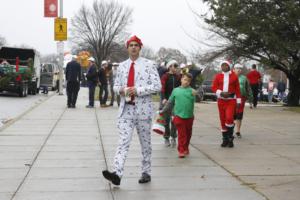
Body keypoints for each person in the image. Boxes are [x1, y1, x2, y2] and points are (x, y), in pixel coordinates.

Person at [102, 35, 161, 186]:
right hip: (126, 110)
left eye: (136, 45)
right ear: (127, 48)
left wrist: (138, 90)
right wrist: (120, 90)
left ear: (140, 48)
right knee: (123, 142)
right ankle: (117, 173)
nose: (133, 47)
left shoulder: (149, 64)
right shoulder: (121, 66)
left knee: (145, 143)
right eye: (131, 45)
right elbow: (115, 86)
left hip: (143, 111)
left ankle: (146, 171)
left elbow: (157, 86)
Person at [160, 73, 196, 158]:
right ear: (181, 79)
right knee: (181, 134)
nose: (186, 82)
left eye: (188, 81)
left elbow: (198, 98)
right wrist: (163, 110)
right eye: (185, 79)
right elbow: (170, 102)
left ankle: (185, 147)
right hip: (178, 116)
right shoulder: (175, 90)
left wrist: (196, 93)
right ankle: (181, 150)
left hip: (189, 116)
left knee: (188, 134)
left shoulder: (192, 91)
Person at [212, 60, 241, 148]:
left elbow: (237, 90)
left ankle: (230, 137)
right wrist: (221, 92)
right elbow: (214, 87)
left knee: (229, 118)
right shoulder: (218, 76)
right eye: (222, 65)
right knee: (222, 119)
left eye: (226, 65)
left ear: (229, 66)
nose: (224, 67)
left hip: (231, 101)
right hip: (221, 101)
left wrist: (238, 101)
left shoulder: (234, 76)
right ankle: (225, 139)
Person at [160, 59, 181, 147]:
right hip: (166, 101)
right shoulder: (165, 76)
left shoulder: (178, 76)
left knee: (174, 120)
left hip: (176, 101)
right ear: (169, 67)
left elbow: (181, 87)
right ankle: (166, 138)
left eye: (177, 66)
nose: (176, 68)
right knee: (166, 120)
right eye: (174, 66)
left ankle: (173, 137)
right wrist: (164, 98)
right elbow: (162, 88)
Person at [233, 64, 253, 138]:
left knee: (239, 115)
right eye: (237, 68)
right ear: (233, 69)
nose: (239, 70)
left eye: (240, 68)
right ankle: (231, 130)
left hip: (241, 98)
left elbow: (248, 89)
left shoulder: (244, 78)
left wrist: (251, 100)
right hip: (232, 99)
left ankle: (238, 131)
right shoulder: (230, 77)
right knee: (231, 115)